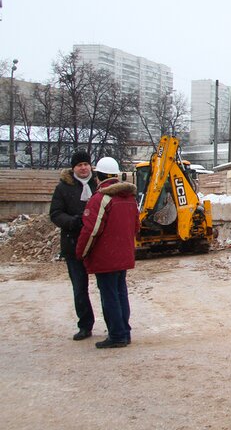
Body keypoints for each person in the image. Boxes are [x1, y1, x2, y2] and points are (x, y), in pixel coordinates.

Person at [76, 156, 140, 349]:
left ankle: (117, 334)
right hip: (124, 255)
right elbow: (136, 227)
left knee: (109, 295)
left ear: (99, 176)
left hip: (106, 257)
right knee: (120, 293)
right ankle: (124, 331)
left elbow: (91, 231)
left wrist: (81, 253)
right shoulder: (130, 199)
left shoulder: (101, 199)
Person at [50, 149, 98, 341]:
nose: (83, 168)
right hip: (73, 243)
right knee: (79, 287)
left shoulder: (98, 184)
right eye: (79, 165)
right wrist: (72, 222)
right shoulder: (63, 188)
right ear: (73, 168)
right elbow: (55, 213)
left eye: (86, 164)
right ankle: (85, 325)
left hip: (97, 244)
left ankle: (114, 325)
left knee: (106, 286)